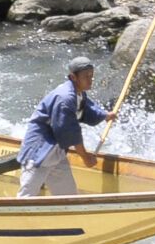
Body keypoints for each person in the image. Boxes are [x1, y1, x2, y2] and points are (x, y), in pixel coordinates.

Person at [17, 56, 109, 197]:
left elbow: (88, 109)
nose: (90, 80)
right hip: (38, 152)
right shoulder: (64, 98)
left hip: (56, 154)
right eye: (86, 76)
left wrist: (105, 115)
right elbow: (69, 132)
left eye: (91, 76)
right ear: (73, 77)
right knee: (26, 198)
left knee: (68, 197)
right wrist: (84, 156)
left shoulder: (79, 94)